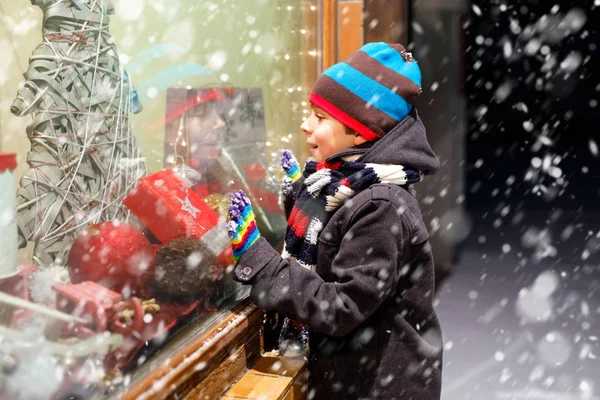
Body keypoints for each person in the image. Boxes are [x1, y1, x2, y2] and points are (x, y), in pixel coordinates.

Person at [227, 42, 442, 400]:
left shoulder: (381, 205)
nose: (304, 125)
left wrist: (263, 265)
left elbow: (344, 306)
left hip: (378, 387)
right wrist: (303, 200)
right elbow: (333, 241)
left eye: (320, 118)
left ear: (359, 132)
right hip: (350, 377)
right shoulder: (345, 182)